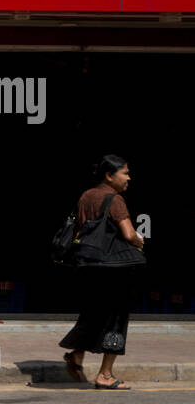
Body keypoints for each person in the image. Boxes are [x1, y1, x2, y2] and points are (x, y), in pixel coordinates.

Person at [60, 155, 145, 390]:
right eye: (125, 173)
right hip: (113, 270)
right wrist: (140, 241)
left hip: (88, 265)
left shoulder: (86, 195)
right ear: (109, 176)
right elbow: (128, 235)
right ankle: (105, 375)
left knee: (94, 313)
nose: (129, 178)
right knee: (116, 319)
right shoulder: (115, 199)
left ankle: (77, 355)